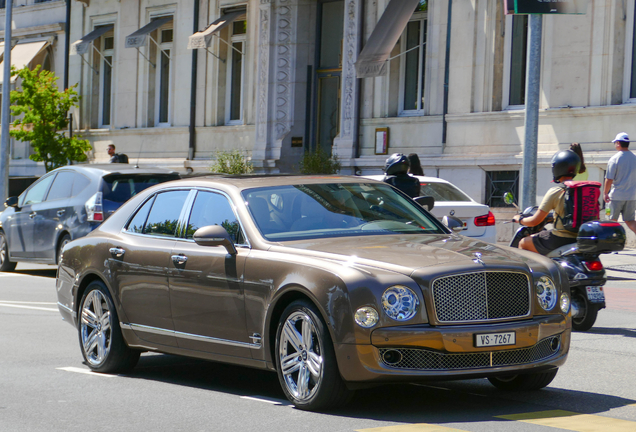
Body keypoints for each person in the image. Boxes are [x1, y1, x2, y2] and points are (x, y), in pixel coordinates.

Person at [512, 150, 580, 255]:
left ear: (557, 168)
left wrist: (519, 219)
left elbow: (534, 221)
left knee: (524, 243)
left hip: (560, 238)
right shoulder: (584, 190)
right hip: (580, 238)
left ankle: (532, 271)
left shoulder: (557, 191)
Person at [604, 132, 636, 235]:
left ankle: (611, 244)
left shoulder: (614, 159)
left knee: (611, 220)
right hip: (631, 196)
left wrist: (605, 193)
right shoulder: (634, 158)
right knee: (630, 220)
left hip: (616, 196)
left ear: (618, 143)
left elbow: (609, 179)